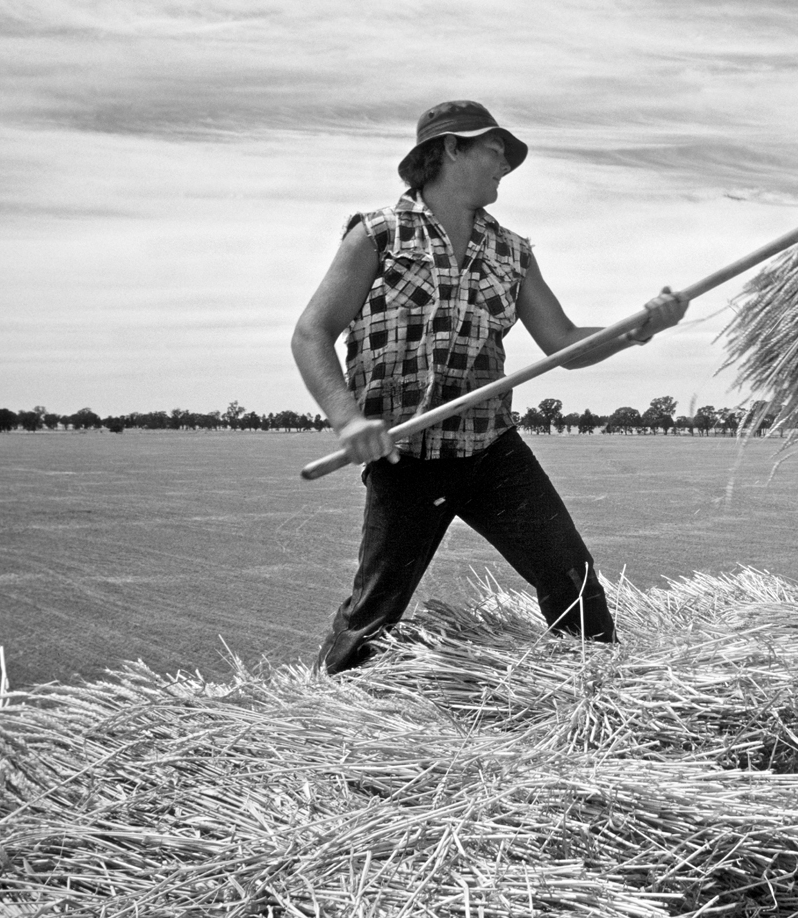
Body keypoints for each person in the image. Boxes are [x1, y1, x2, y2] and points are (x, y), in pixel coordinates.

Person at [292, 100, 688, 674]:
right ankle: (323, 710)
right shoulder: (377, 234)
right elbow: (312, 333)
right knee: (375, 611)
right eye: (495, 148)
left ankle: (604, 694)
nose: (506, 163)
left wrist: (640, 328)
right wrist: (348, 420)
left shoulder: (513, 250)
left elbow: (566, 343)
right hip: (408, 456)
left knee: (571, 576)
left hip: (490, 447)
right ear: (451, 148)